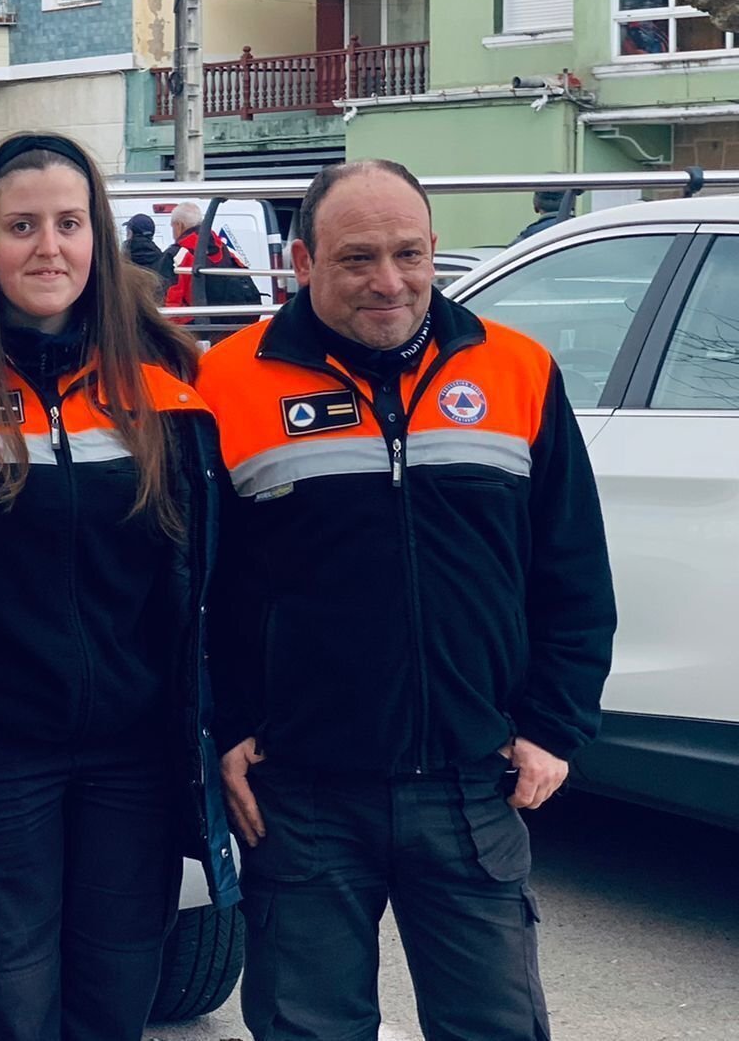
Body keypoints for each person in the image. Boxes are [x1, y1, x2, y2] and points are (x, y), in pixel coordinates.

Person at [198, 160, 616, 1041]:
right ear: (302, 263)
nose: (389, 281)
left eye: (409, 253)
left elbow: (573, 571)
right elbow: (188, 587)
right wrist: (223, 723)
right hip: (298, 792)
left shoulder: (517, 372)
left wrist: (553, 726)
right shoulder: (226, 384)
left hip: (473, 784)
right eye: (357, 259)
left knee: (494, 1027)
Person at [0, 132, 239, 1041]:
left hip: (133, 762)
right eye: (21, 225)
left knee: (114, 1011)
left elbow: (206, 583)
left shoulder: (165, 379)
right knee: (9, 1013)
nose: (49, 247)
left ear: (98, 236)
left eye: (70, 224)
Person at [161, 201, 260, 311]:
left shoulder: (176, 255)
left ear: (179, 225)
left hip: (197, 321)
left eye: (172, 226)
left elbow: (171, 299)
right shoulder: (227, 251)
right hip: (231, 320)